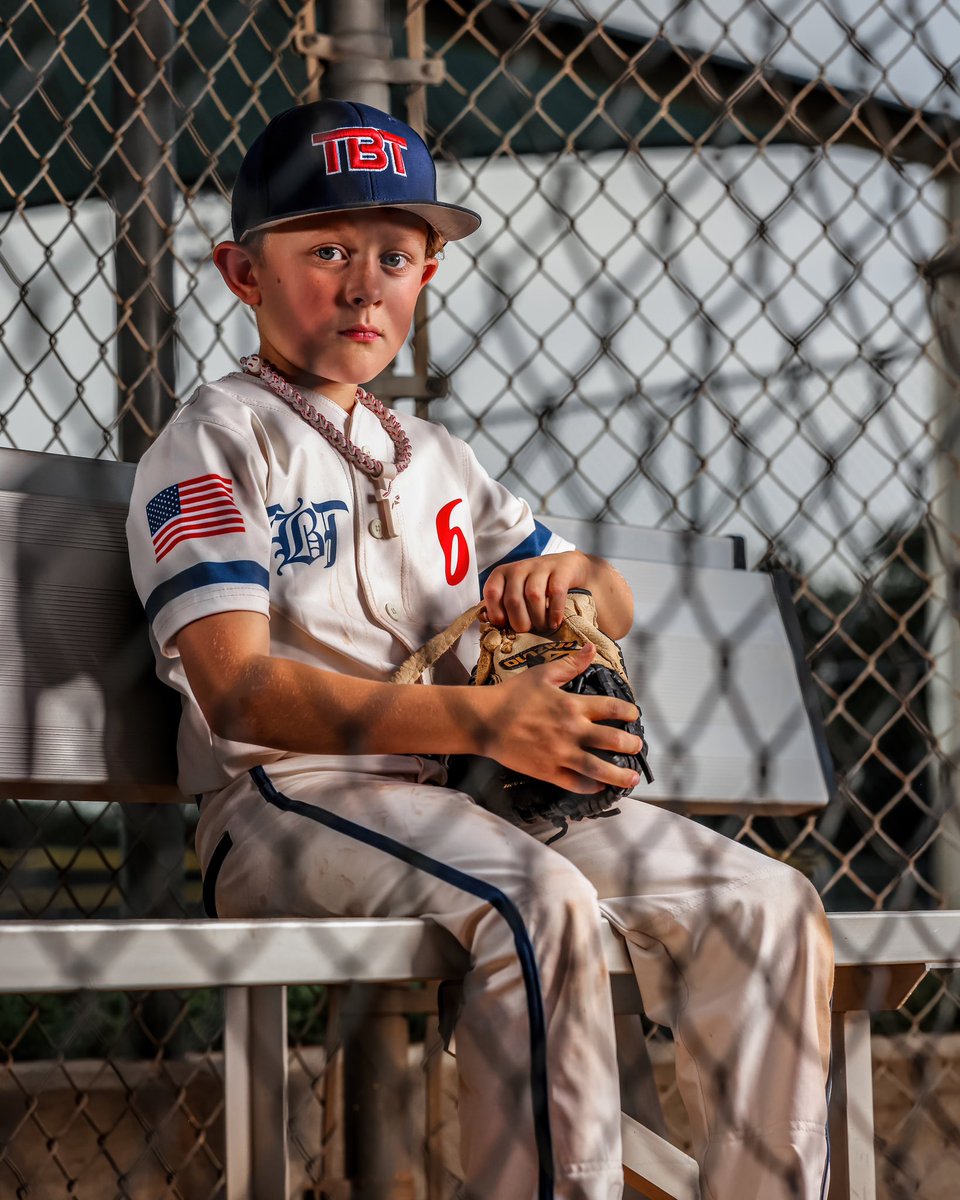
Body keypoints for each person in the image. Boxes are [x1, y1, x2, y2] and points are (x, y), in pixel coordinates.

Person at [126, 98, 834, 1200]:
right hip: (290, 800)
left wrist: (572, 581)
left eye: (395, 255)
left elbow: (603, 594)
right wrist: (491, 722)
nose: (364, 283)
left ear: (428, 277)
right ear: (242, 273)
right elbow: (237, 688)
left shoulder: (438, 456)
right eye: (327, 249)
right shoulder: (215, 439)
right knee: (532, 903)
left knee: (766, 904)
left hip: (476, 798)